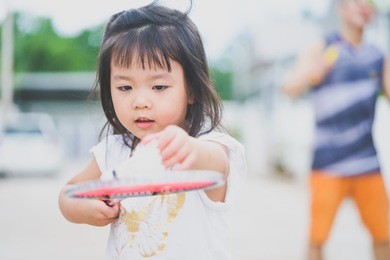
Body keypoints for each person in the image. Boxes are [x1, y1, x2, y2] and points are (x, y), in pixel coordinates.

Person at [58, 1, 247, 259]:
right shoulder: (114, 151)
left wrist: (188, 149)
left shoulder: (209, 145)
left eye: (158, 87)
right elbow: (69, 195)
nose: (140, 101)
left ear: (190, 89)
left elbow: (219, 167)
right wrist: (85, 208)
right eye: (125, 88)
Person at [282, 0, 390, 260]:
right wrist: (313, 71)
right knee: (317, 238)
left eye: (369, 3)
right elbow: (289, 87)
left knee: (384, 236)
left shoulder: (377, 56)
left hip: (366, 161)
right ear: (341, 10)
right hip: (328, 163)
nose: (363, 6)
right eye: (356, 2)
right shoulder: (324, 46)